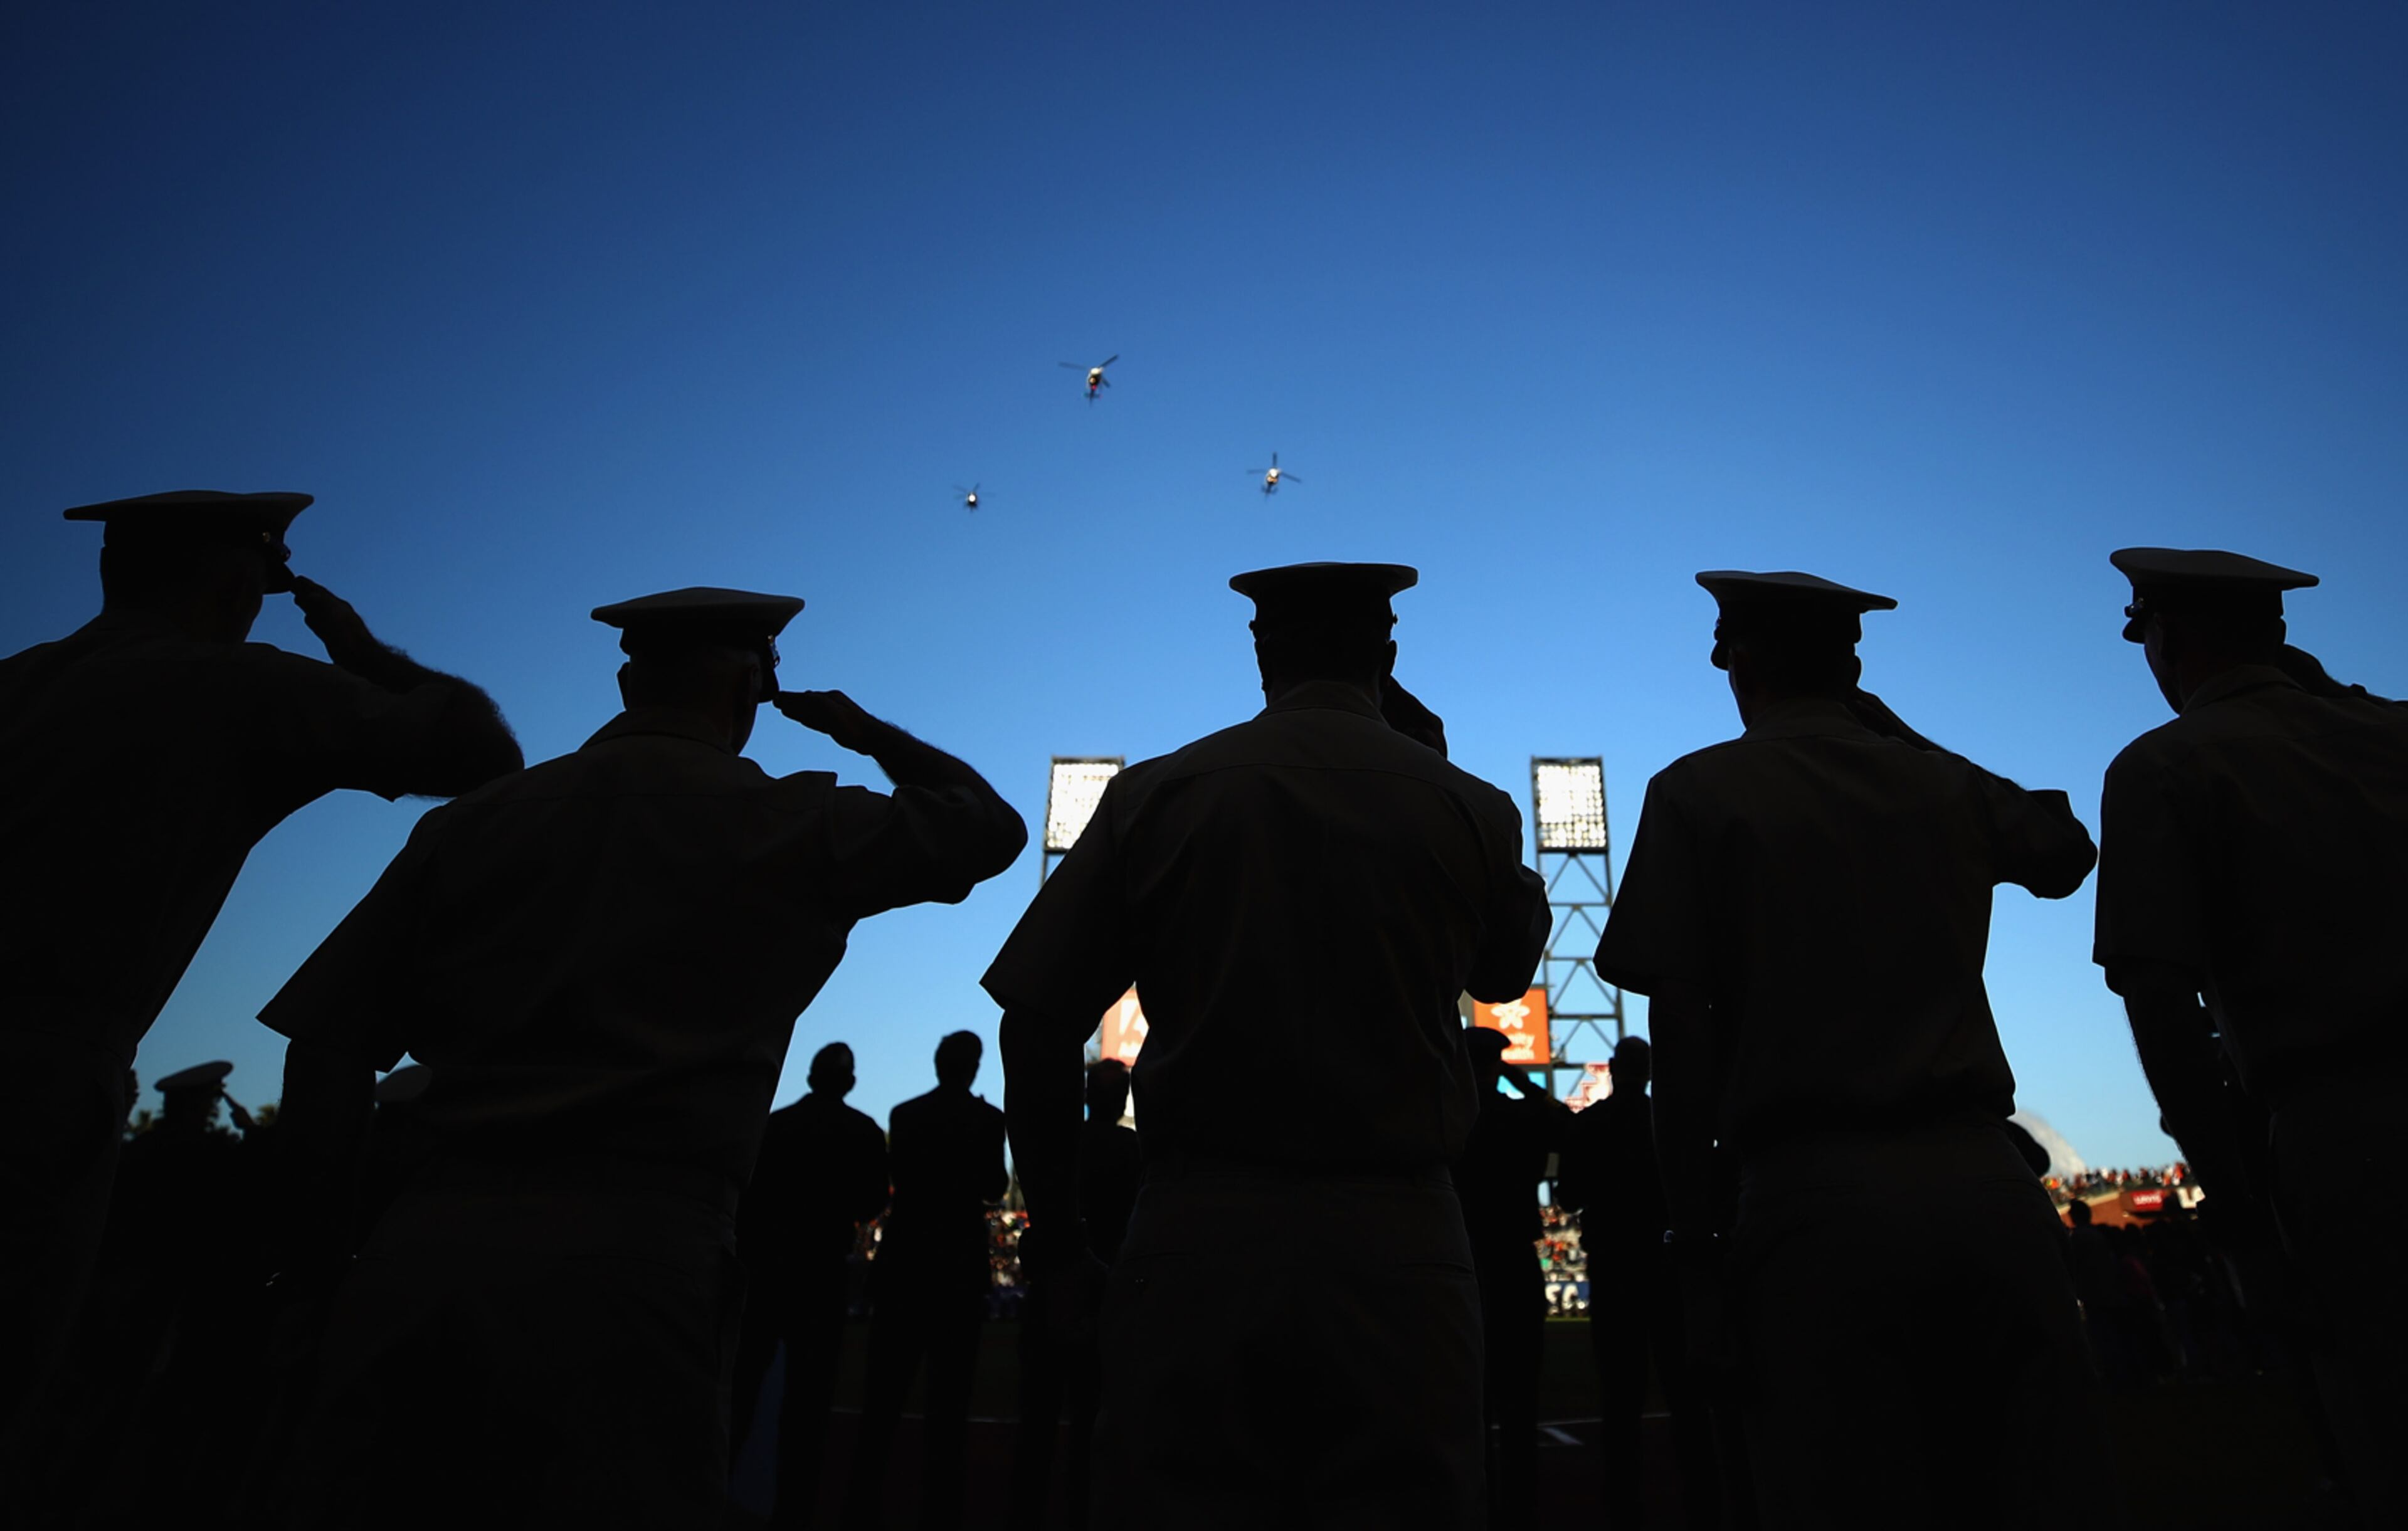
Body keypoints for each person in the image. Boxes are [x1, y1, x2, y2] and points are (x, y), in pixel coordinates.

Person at [256, 587, 1026, 1528]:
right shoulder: (792, 819)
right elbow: (988, 825)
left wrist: (314, 1266)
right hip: (637, 1249)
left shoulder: (477, 820)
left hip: (426, 1239)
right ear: (752, 684)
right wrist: (866, 733)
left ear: (629, 678)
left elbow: (330, 1046)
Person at [985, 561, 1551, 1530]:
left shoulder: (1160, 793)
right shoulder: (1467, 801)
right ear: (1387, 654)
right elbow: (1504, 974)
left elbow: (1035, 1016)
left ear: (1261, 653)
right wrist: (1441, 765)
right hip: (1398, 1226)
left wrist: (1063, 1241)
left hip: (1201, 1226)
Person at [0, 489, 520, 1466]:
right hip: (40, 1081)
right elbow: (483, 756)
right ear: (242, 578)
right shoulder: (233, 686)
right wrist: (364, 653)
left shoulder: (18, 681)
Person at [1594, 570, 2104, 1530]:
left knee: (1839, 1483)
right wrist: (1902, 736)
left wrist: (1697, 1246)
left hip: (1811, 1190)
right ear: (1853, 664)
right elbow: (2064, 853)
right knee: (2033, 1481)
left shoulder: (1700, 791)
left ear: (1736, 657)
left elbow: (1685, 1039)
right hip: (1982, 1180)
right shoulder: (1935, 779)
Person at [2092, 546, 2408, 1521]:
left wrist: (2237, 1212)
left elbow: (2161, 1006)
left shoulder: (2168, 763)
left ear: (2170, 638)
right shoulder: (2390, 730)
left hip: (2341, 1130)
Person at [845, 1031, 1010, 1531]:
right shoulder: (987, 1120)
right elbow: (994, 1188)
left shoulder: (905, 1115)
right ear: (974, 1067)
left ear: (938, 1063)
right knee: (950, 1402)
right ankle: (940, 1507)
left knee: (882, 1397)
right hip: (957, 1267)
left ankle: (862, 1502)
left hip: (905, 1262)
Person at [1556, 1036, 1718, 1530]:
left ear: (1613, 1070)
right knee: (1684, 1389)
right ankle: (1702, 1494)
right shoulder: (1667, 1121)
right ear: (1648, 1071)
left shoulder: (1591, 1125)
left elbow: (1568, 1197)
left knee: (1619, 1392)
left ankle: (1622, 1499)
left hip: (1613, 1265)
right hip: (1666, 1264)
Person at [731, 1041, 891, 1527]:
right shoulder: (862, 1131)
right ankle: (794, 1508)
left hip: (769, 1269)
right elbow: (869, 1203)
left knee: (742, 1388)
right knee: (809, 1401)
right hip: (821, 1270)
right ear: (849, 1082)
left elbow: (749, 1196)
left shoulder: (775, 1126)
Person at [1008, 1058, 1142, 1531]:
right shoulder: (1136, 1150)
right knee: (1095, 1423)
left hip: (1055, 1284)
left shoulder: (1064, 1145)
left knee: (1037, 1420)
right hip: (1107, 1290)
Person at [1455, 1026, 1559, 1527]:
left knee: (1465, 1402)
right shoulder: (1519, 1116)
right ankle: (1523, 1508)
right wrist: (1519, 1080)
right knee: (1520, 1401)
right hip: (1515, 1262)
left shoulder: (1450, 1118)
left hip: (1463, 1261)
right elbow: (1560, 1120)